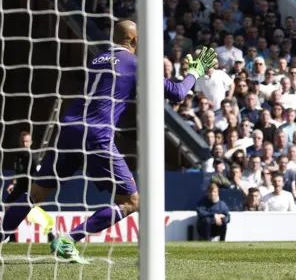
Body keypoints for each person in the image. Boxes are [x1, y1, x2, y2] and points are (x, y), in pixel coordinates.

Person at [0, 21, 218, 262]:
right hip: (96, 135)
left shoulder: (97, 59)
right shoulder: (136, 64)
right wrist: (194, 74)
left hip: (68, 130)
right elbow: (177, 94)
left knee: (35, 194)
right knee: (131, 202)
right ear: (135, 41)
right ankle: (69, 239)